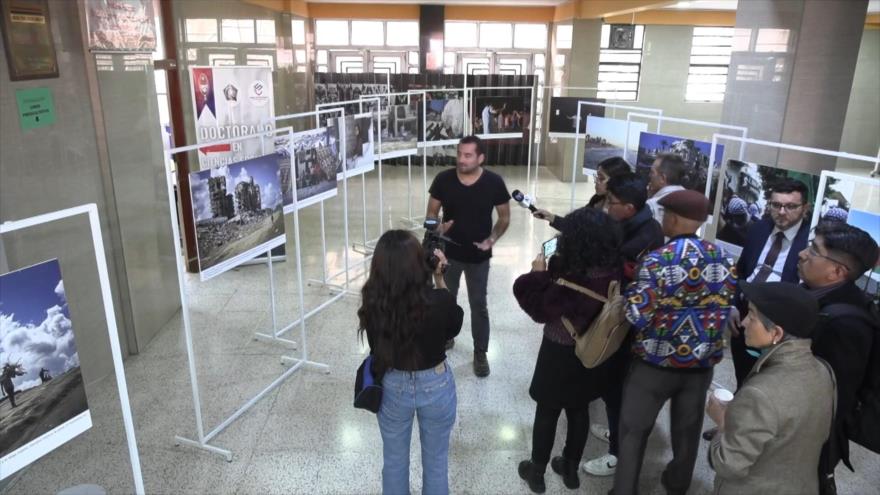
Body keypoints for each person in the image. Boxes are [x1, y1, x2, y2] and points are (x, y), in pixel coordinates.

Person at [613, 190, 737, 495]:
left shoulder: (657, 260)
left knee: (633, 431)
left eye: (664, 214)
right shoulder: (724, 258)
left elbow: (637, 315)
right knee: (687, 431)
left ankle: (625, 489)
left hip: (654, 365)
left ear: (674, 218)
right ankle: (677, 483)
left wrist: (628, 295)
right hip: (700, 366)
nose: (662, 220)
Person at [513, 207, 623, 493]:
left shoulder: (570, 275)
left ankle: (536, 472)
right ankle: (570, 469)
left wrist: (536, 275)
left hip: (558, 350)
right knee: (578, 409)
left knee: (547, 410)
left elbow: (539, 309)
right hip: (593, 352)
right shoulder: (613, 268)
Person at [357, 230, 464, 495]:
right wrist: (440, 279)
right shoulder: (439, 301)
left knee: (394, 462)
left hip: (393, 385)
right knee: (436, 462)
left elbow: (374, 346)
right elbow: (454, 326)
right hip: (436, 384)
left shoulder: (373, 302)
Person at [707, 281, 834, 495]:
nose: (744, 322)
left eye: (752, 316)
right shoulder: (824, 370)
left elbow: (728, 465)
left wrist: (723, 422)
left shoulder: (760, 393)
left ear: (776, 333)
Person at [581, 172, 664, 478]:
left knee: (618, 388)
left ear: (629, 207)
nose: (607, 207)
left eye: (612, 203)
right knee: (611, 387)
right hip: (621, 318)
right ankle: (616, 432)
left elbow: (614, 268)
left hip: (628, 324)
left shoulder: (642, 236)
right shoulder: (634, 223)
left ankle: (617, 454)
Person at [798, 221, 879, 494]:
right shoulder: (813, 294)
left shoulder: (845, 323)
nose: (802, 254)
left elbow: (833, 399)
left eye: (813, 249)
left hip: (806, 439)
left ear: (836, 271)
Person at [426, 135, 511, 377]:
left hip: (478, 257)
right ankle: (445, 338)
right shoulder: (443, 179)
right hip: (447, 254)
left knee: (478, 304)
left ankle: (480, 351)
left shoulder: (493, 182)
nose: (461, 160)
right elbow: (431, 213)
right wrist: (436, 227)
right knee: (444, 299)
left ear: (480, 157)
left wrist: (491, 240)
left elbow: (504, 217)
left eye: (467, 155)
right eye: (459, 154)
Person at [728, 179, 811, 389]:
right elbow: (743, 270)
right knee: (743, 378)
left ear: (805, 208)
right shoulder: (759, 228)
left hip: (777, 328)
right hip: (744, 317)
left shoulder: (809, 241)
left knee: (765, 386)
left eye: (790, 206)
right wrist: (732, 304)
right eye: (776, 205)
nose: (782, 212)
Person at [533, 156, 631, 230]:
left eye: (601, 178)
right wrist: (550, 217)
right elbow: (576, 224)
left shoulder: (620, 212)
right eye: (596, 177)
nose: (596, 181)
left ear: (616, 180)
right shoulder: (596, 199)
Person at [645, 153, 687, 225]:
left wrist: (649, 200)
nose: (649, 175)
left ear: (662, 178)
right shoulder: (689, 201)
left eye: (652, 172)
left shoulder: (651, 206)